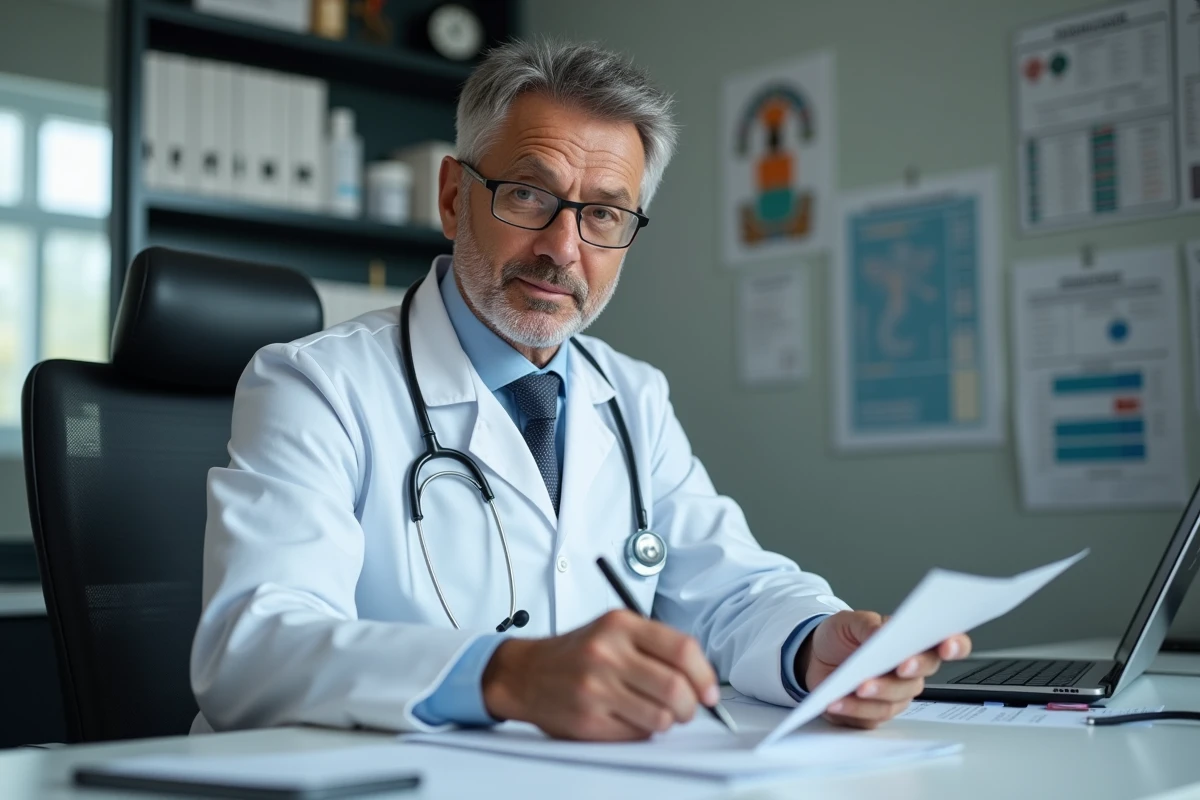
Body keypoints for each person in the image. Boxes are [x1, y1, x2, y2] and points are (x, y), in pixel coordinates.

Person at [190, 39, 971, 740]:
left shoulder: (631, 397)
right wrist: (509, 676)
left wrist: (817, 644)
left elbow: (726, 588)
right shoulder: (315, 384)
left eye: (603, 213)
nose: (564, 248)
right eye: (529, 195)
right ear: (455, 197)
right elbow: (253, 648)